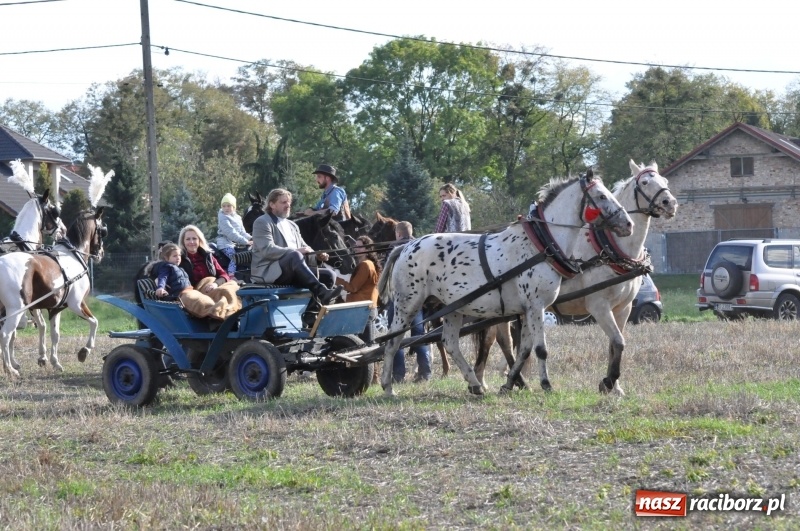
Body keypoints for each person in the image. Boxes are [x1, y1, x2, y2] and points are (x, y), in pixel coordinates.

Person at [251, 188, 343, 310]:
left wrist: (316, 256)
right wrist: (296, 252)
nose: (288, 205)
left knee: (329, 275)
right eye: (283, 202)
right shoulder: (262, 222)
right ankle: (321, 291)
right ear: (272, 204)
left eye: (289, 202)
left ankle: (311, 313)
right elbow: (267, 250)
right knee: (295, 255)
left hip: (292, 269)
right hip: (269, 271)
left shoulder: (292, 225)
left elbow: (305, 248)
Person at [387, 221, 432, 383]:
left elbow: (390, 273)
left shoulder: (394, 247)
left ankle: (398, 375)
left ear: (398, 233)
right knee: (419, 334)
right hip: (418, 296)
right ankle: (425, 372)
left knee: (395, 334)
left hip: (397, 297)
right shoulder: (421, 246)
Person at [178, 224, 242, 319]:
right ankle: (218, 316)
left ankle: (231, 314)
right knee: (198, 299)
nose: (191, 242)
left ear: (199, 240)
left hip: (213, 287)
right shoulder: (179, 258)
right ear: (183, 242)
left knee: (230, 287)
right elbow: (165, 268)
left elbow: (224, 274)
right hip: (196, 290)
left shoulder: (208, 256)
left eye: (194, 238)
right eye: (188, 239)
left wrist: (215, 284)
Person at [154, 243, 225, 319]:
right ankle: (216, 316)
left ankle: (221, 312)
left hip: (191, 291)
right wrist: (161, 287)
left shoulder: (179, 268)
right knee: (199, 301)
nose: (178, 258)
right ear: (166, 258)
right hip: (180, 295)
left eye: (179, 255)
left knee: (206, 299)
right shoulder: (167, 267)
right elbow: (162, 277)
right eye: (174, 256)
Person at [334, 235, 380, 307]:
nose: (356, 249)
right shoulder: (369, 264)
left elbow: (353, 288)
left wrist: (335, 279)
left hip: (363, 308)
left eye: (360, 247)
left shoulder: (365, 265)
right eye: (356, 246)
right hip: (367, 306)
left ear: (367, 249)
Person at [216, 193, 252, 275]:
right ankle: (231, 275)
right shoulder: (222, 217)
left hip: (233, 243)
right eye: (224, 206)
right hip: (224, 243)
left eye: (228, 206)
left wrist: (252, 239)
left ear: (234, 207)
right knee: (234, 257)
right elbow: (231, 233)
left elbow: (242, 232)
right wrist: (245, 242)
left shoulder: (238, 218)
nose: (226, 208)